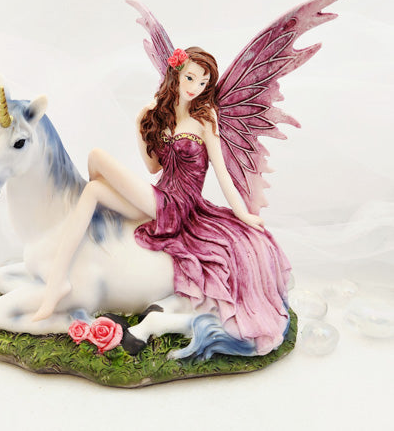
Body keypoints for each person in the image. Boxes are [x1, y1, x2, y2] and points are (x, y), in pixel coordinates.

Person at [33, 45, 290, 357]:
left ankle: (98, 225)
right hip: (159, 196)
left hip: (177, 205)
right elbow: (154, 167)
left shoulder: (206, 118)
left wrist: (243, 214)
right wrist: (141, 124)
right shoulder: (162, 116)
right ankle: (57, 282)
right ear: (176, 75)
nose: (195, 87)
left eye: (203, 82)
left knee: (96, 157)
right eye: (190, 78)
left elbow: (222, 173)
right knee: (93, 190)